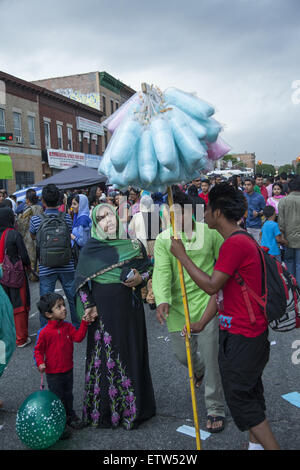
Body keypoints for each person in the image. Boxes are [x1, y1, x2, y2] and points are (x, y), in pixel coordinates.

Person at [170, 182, 280, 450]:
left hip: (244, 337)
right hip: (244, 334)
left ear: (218, 212)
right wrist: (201, 323)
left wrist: (182, 256)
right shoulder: (239, 240)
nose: (203, 213)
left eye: (207, 209)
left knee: (242, 400)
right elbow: (222, 296)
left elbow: (211, 285)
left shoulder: (235, 244)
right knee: (251, 397)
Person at [74, 203, 156, 430]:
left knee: (132, 351)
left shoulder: (133, 244)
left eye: (109, 214)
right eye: (100, 218)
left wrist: (142, 278)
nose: (107, 220)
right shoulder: (91, 248)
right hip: (103, 310)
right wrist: (88, 304)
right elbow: (80, 282)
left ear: (117, 216)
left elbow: (149, 267)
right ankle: (107, 413)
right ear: (95, 224)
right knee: (107, 358)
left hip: (130, 310)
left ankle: (138, 409)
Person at [152, 188, 226, 433]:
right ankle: (201, 370)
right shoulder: (164, 239)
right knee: (184, 357)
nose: (173, 220)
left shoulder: (210, 233)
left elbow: (222, 265)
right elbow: (162, 272)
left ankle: (215, 408)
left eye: (178, 214)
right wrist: (162, 299)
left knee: (211, 356)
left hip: (207, 305)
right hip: (177, 308)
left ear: (190, 212)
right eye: (168, 215)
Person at [34, 293, 96, 438]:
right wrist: (40, 363)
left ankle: (71, 417)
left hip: (68, 369)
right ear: (48, 314)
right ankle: (58, 424)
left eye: (63, 305)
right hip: (53, 374)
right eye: (59, 307)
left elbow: (78, 337)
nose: (63, 309)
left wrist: (84, 323)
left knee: (68, 395)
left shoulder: (67, 327)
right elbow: (38, 350)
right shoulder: (44, 333)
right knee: (57, 399)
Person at [30, 184, 80, 329]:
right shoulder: (66, 218)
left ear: (42, 201)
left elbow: (34, 236)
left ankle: (47, 330)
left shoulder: (35, 220)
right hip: (67, 264)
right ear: (59, 201)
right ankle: (77, 326)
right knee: (72, 297)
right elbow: (68, 235)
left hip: (46, 266)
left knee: (46, 300)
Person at [0, 205, 31, 347]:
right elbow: (24, 256)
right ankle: (20, 338)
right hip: (15, 274)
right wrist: (28, 267)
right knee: (19, 304)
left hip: (1, 276)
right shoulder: (14, 234)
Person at [17, 189, 44, 282]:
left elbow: (22, 224)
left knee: (31, 256)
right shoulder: (40, 208)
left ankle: (34, 276)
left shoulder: (28, 210)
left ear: (28, 199)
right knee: (39, 256)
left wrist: (19, 217)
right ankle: (40, 272)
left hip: (29, 236)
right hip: (40, 235)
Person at [278, 175, 300, 286]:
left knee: (289, 262)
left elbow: (281, 223)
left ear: (289, 189)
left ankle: (292, 286)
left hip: (287, 239)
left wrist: (281, 237)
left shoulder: (283, 201)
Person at [244, 178, 266, 243]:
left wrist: (258, 213)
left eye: (248, 185)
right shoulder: (243, 196)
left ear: (253, 186)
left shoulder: (259, 197)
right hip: (246, 226)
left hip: (257, 226)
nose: (246, 187)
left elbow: (265, 210)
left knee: (258, 247)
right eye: (245, 185)